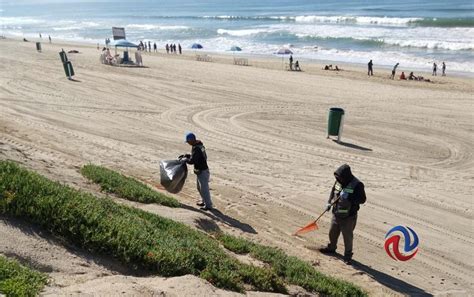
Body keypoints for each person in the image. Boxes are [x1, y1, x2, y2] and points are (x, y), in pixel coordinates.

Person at [319, 164, 366, 265]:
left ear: (346, 176)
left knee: (347, 237)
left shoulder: (357, 185)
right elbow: (333, 191)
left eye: (340, 177)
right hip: (336, 214)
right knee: (332, 233)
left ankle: (347, 256)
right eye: (337, 177)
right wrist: (329, 202)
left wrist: (349, 197)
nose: (338, 179)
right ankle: (331, 248)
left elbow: (362, 199)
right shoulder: (339, 181)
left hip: (349, 217)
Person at [182, 132, 213, 211]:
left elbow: (193, 160)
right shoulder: (198, 145)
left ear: (192, 140)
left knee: (204, 189)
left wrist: (186, 160)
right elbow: (195, 156)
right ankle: (204, 201)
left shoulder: (197, 148)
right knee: (199, 188)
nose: (188, 143)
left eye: (188, 141)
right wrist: (187, 155)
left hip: (203, 171)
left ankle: (208, 205)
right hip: (201, 170)